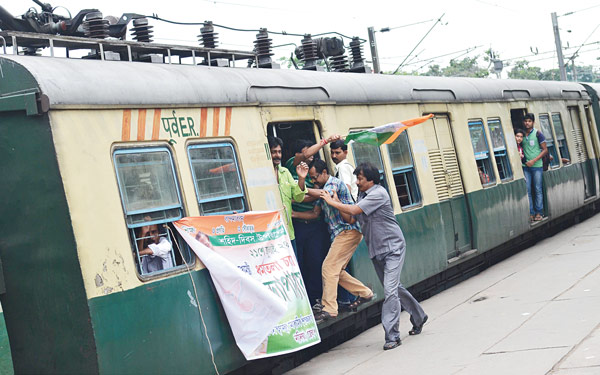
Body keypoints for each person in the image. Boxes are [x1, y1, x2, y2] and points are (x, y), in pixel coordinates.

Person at [320, 162, 428, 351]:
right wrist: (338, 202)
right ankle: (419, 316)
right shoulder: (362, 195)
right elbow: (351, 219)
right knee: (395, 288)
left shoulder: (378, 194)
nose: (357, 182)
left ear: (371, 180)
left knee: (390, 290)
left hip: (393, 247)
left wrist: (331, 202)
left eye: (360, 179)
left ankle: (392, 336)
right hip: (376, 250)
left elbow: (353, 211)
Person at [299, 159, 373, 322]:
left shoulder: (333, 184)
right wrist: (291, 212)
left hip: (347, 231)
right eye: (311, 178)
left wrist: (300, 183)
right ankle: (365, 293)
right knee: (336, 272)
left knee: (328, 267)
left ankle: (330, 309)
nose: (314, 180)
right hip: (341, 235)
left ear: (325, 172)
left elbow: (323, 195)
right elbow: (314, 213)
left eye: (315, 177)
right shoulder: (322, 189)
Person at [286, 136, 340, 308]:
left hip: (314, 225)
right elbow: (312, 194)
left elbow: (313, 197)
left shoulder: (313, 172)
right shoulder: (291, 166)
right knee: (300, 263)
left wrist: (297, 197)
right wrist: (325, 141)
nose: (311, 156)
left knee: (316, 262)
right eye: (308, 152)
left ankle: (317, 298)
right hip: (299, 227)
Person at [268, 135, 309, 252]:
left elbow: (298, 197)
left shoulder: (285, 172)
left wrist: (301, 179)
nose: (278, 155)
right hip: (271, 234)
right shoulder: (262, 174)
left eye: (279, 152)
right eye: (274, 152)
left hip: (288, 232)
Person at [522, 113, 548, 222]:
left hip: (537, 166)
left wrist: (534, 160)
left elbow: (545, 150)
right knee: (527, 189)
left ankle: (539, 212)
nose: (527, 123)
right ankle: (531, 213)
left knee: (537, 189)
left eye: (529, 121)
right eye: (525, 121)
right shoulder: (521, 135)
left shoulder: (538, 134)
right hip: (525, 167)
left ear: (533, 122)